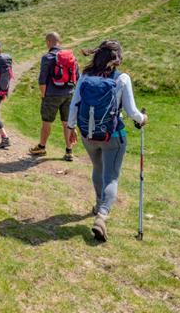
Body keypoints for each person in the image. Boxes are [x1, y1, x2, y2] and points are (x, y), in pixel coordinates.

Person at [66, 40, 148, 242]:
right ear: (117, 58)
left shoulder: (85, 76)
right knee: (111, 176)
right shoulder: (122, 79)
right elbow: (132, 112)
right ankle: (102, 216)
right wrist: (143, 119)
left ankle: (97, 203)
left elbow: (75, 104)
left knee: (97, 168)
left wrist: (71, 127)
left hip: (88, 134)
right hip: (113, 135)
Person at [29, 32, 78, 161]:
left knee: (47, 121)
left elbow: (42, 80)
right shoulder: (71, 56)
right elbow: (76, 77)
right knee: (66, 123)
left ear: (48, 42)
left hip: (52, 94)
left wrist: (44, 95)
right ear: (59, 42)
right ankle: (69, 151)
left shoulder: (47, 57)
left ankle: (42, 147)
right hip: (69, 94)